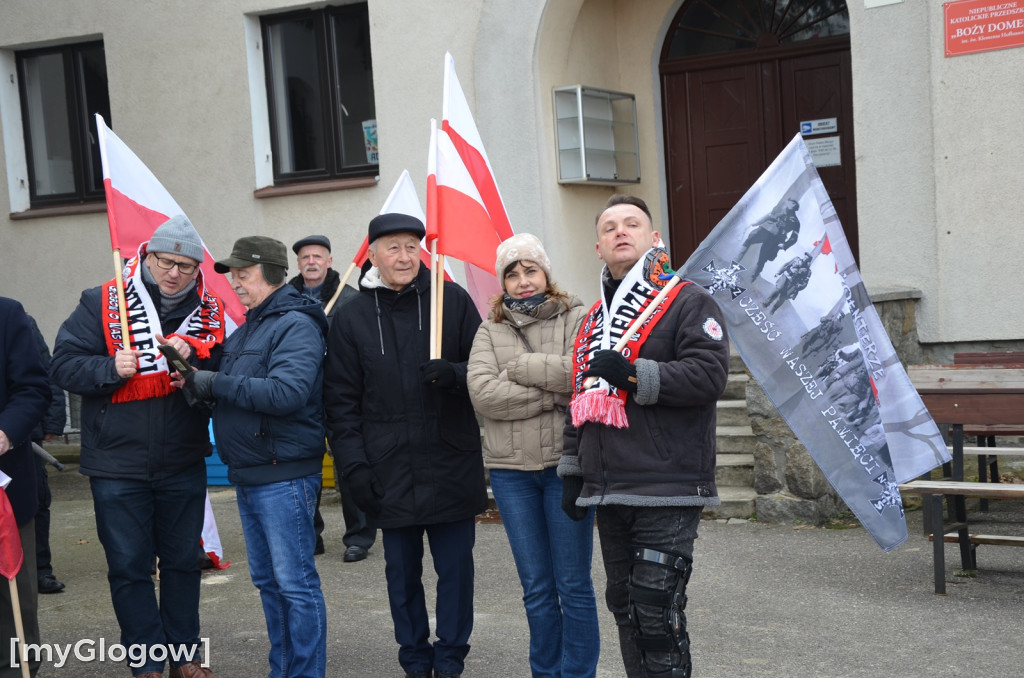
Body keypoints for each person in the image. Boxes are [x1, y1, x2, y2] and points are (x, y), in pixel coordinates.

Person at [559, 195, 730, 678]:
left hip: (668, 482)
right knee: (625, 605)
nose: (620, 232)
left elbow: (708, 375)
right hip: (610, 487)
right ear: (598, 247)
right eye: (610, 227)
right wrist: (573, 470)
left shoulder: (688, 300)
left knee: (657, 608)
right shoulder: (594, 320)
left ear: (655, 239)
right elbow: (581, 399)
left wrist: (634, 375)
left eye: (632, 224)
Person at [51, 215, 224, 678]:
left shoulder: (210, 315)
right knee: (129, 566)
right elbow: (64, 365)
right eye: (166, 262)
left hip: (182, 458)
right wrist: (111, 367)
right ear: (146, 257)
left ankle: (185, 654)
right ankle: (147, 659)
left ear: (196, 271)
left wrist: (195, 367)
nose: (174, 274)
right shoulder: (101, 301)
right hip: (116, 463)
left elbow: (226, 379)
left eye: (186, 266)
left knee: (184, 562)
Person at [323, 213, 487, 678]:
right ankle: (414, 658)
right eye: (393, 247)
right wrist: (353, 467)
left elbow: (484, 368)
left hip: (449, 462)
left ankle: (451, 656)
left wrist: (453, 374)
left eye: (412, 247)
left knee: (456, 574)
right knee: (401, 576)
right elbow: (340, 401)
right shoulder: (352, 315)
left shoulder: (449, 301)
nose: (404, 256)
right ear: (371, 254)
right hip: (386, 469)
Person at [176, 235, 328, 678]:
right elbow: (231, 393)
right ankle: (282, 670)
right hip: (255, 472)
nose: (236, 283)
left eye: (244, 274)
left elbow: (286, 393)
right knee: (269, 584)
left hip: (284, 474)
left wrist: (213, 383)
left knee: (295, 586)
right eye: (233, 275)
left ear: (274, 274)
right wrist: (193, 384)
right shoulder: (249, 328)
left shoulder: (296, 324)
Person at [467, 233, 600, 678]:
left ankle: (578, 673)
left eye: (531, 270)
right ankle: (546, 672)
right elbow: (484, 395)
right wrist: (552, 396)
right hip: (511, 475)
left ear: (546, 273)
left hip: (567, 468)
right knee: (537, 588)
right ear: (503, 282)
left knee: (574, 585)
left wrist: (522, 370)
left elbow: (584, 374)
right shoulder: (490, 329)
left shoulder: (577, 316)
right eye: (512, 273)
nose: (523, 281)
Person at [288, 234, 374, 562]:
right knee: (305, 467)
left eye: (317, 257)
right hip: (301, 395)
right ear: (298, 263)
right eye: (305, 257)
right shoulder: (287, 299)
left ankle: (359, 536)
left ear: (329, 261)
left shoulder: (350, 299)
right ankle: (311, 535)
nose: (311, 262)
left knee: (350, 464)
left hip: (342, 394)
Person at [0, 297, 50, 678]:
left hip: (5, 489)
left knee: (12, 603)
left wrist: (6, 433)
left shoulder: (8, 314)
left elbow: (33, 389)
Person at [25, 314, 67, 594]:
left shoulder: (17, 319)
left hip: (21, 434)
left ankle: (39, 570)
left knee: (35, 501)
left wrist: (52, 421)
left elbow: (43, 370)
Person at [737, 197, 801, 278]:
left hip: (775, 239)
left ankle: (753, 276)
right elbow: (768, 215)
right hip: (765, 229)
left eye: (795, 204)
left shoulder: (796, 222)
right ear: (788, 202)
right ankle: (736, 262)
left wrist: (785, 245)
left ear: (796, 208)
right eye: (792, 202)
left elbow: (794, 237)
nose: (792, 204)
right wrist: (756, 223)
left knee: (763, 258)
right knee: (749, 239)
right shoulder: (778, 209)